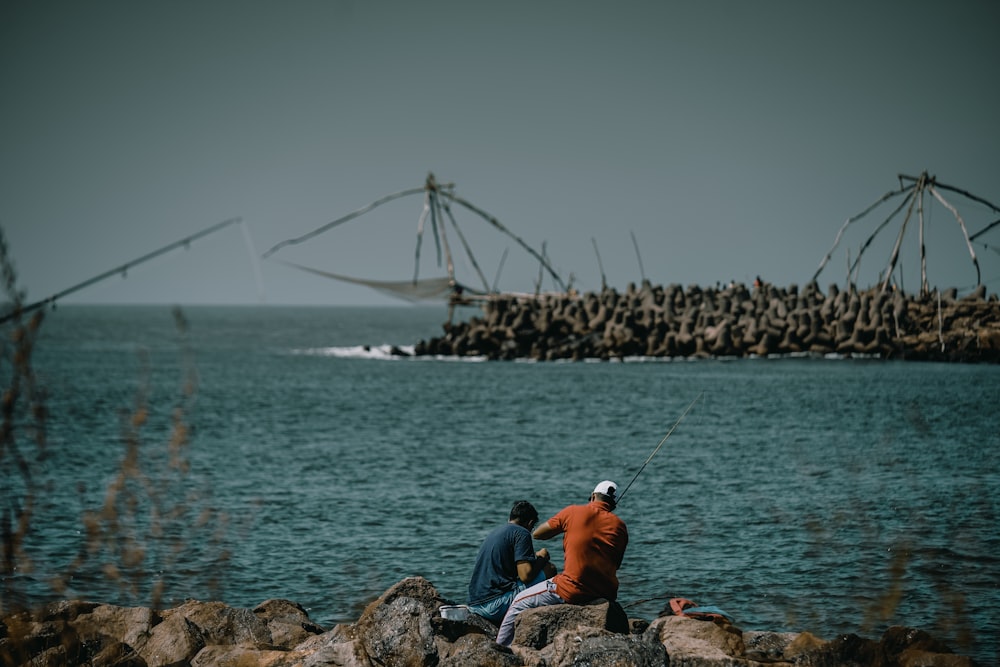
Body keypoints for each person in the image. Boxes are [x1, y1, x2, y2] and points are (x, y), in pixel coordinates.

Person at [496, 480, 628, 646]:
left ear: (593, 496)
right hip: (606, 592)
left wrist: (567, 527)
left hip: (571, 589)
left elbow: (538, 534)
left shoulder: (573, 512)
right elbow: (616, 563)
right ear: (613, 504)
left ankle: (499, 648)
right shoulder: (621, 527)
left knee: (518, 601)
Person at [467, 500, 557, 624]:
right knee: (549, 569)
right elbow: (525, 575)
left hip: (474, 605)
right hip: (495, 606)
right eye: (532, 527)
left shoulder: (497, 532)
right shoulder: (522, 533)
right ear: (530, 523)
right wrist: (542, 559)